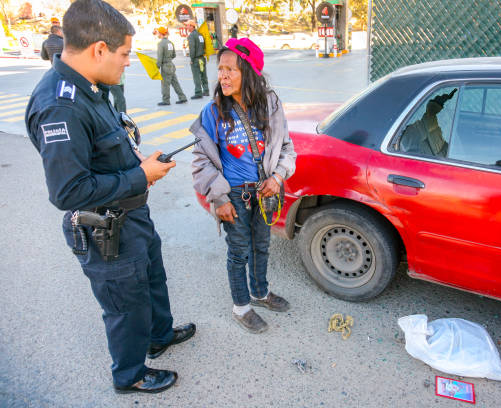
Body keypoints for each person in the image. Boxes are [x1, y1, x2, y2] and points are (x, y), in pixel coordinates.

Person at [25, 0, 195, 394]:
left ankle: (159, 335)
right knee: (126, 304)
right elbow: (69, 192)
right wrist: (138, 176)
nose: (128, 62)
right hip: (107, 229)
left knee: (152, 278)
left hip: (131, 215)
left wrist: (136, 164)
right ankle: (130, 374)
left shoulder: (88, 87)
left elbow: (106, 143)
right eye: (124, 54)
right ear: (99, 49)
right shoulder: (60, 106)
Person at [191, 38, 297, 333]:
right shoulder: (212, 113)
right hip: (234, 196)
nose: (222, 76)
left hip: (265, 192)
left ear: (248, 73)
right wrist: (219, 198)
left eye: (230, 70)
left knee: (261, 246)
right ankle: (241, 307)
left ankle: (260, 293)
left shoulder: (270, 105)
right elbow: (200, 162)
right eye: (220, 69)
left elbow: (287, 149)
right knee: (239, 252)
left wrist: (277, 178)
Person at [155, 26, 187, 106]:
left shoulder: (161, 44)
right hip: (171, 65)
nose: (157, 34)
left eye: (158, 33)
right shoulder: (170, 43)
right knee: (175, 83)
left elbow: (160, 57)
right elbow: (174, 55)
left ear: (161, 33)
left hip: (165, 66)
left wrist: (157, 67)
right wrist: (168, 59)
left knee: (165, 84)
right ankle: (182, 97)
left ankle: (166, 100)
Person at [185, 20, 209, 99]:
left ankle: (198, 92)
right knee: (203, 75)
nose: (186, 27)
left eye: (188, 25)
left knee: (196, 76)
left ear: (192, 26)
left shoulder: (191, 36)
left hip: (195, 59)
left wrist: (191, 59)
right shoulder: (200, 35)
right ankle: (206, 91)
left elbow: (192, 48)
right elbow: (204, 45)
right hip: (202, 58)